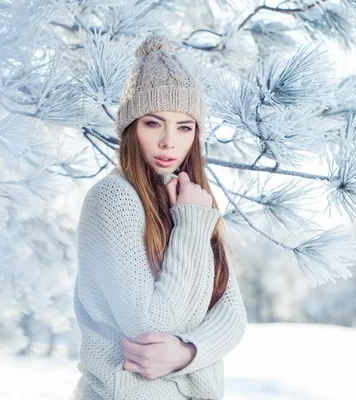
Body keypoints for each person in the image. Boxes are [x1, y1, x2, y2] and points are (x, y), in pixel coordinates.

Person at [71, 33, 248, 400]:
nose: (170, 141)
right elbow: (149, 325)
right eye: (154, 123)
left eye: (184, 127)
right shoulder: (113, 198)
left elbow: (232, 315)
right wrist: (191, 227)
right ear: (131, 128)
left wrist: (187, 352)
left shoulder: (191, 201)